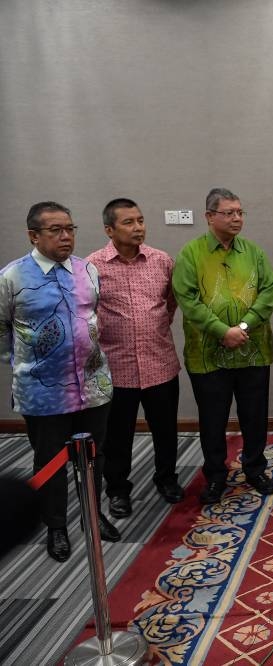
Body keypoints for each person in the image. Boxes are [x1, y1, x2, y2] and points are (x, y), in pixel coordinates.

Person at [0, 201, 120, 561]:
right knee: (49, 460)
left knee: (93, 458)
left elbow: (93, 316)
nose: (66, 236)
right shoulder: (12, 277)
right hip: (43, 393)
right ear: (33, 235)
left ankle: (92, 515)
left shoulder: (87, 270)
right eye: (55, 230)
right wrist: (28, 363)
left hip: (93, 386)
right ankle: (56, 526)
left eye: (70, 228)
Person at [172, 188, 273, 505]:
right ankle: (216, 477)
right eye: (229, 212)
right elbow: (187, 300)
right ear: (209, 217)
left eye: (240, 212)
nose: (236, 218)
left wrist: (242, 327)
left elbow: (268, 292)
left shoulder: (254, 253)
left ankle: (255, 469)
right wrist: (222, 331)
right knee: (213, 420)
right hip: (208, 357)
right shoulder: (191, 254)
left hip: (253, 351)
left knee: (255, 416)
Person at [87, 198, 184, 518]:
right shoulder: (92, 266)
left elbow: (170, 305)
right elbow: (86, 313)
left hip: (159, 363)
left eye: (140, 220)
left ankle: (167, 478)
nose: (138, 227)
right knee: (117, 436)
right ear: (109, 229)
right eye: (128, 222)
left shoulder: (161, 261)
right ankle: (117, 489)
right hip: (117, 368)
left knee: (166, 429)